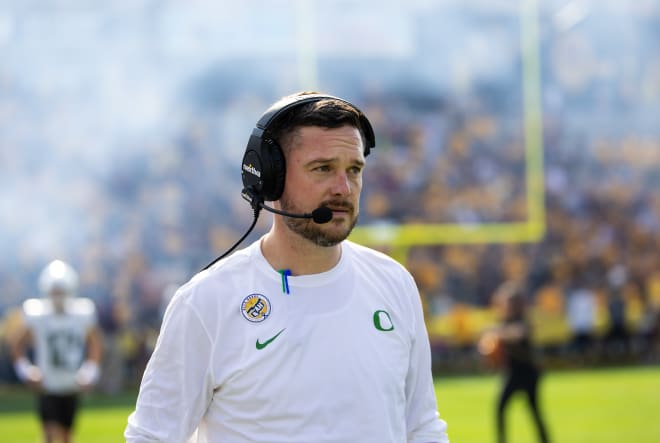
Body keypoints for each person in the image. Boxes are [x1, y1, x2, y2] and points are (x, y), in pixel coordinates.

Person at [125, 92, 450, 442]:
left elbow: (421, 426)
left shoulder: (394, 282)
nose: (343, 188)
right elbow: (151, 437)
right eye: (322, 168)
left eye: (354, 170)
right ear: (271, 179)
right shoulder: (206, 302)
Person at [10, 259, 103, 443]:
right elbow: (17, 343)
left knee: (67, 437)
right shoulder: (36, 312)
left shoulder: (82, 312)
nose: (58, 297)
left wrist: (90, 371)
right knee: (51, 435)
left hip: (71, 385)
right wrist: (25, 370)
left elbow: (95, 344)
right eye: (54, 292)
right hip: (48, 385)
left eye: (61, 292)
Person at [489, 281, 549, 443]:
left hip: (528, 373)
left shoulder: (522, 320)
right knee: (500, 408)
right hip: (512, 373)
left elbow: (518, 333)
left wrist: (497, 333)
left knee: (534, 412)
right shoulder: (504, 321)